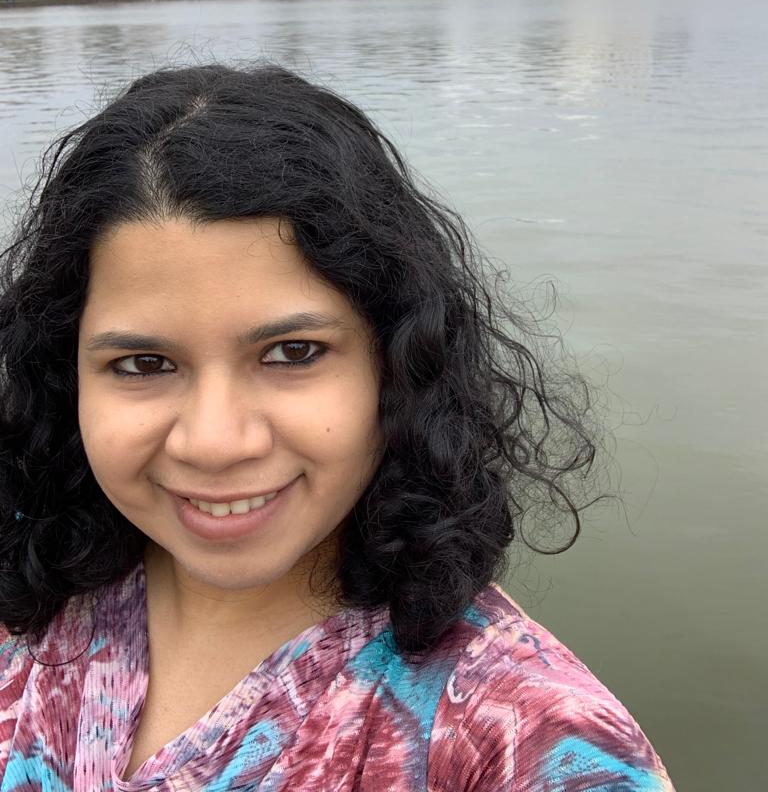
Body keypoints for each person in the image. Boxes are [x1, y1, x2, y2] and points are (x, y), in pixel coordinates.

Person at [0, 64, 675, 790]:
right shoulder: (31, 599)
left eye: (292, 353)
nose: (215, 441)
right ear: (63, 373)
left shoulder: (525, 742)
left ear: (398, 363)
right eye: (142, 364)